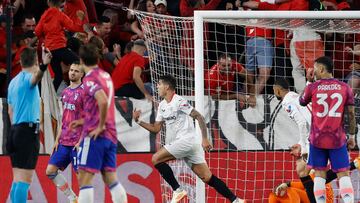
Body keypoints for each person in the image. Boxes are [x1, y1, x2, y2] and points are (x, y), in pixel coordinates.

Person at [133, 75, 246, 203]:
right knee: (207, 177)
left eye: (159, 84)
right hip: (188, 145)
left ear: (167, 87)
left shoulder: (179, 101)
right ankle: (236, 200)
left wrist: (204, 139)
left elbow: (199, 116)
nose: (157, 87)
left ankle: (178, 190)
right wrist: (139, 121)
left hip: (187, 140)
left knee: (156, 159)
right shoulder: (162, 106)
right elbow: (156, 128)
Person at [299, 56, 356, 202]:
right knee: (343, 174)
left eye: (315, 67)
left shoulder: (313, 87)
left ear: (322, 69)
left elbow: (302, 101)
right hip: (337, 138)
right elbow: (350, 114)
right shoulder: (345, 87)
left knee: (319, 174)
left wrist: (309, 81)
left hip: (317, 139)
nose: (314, 70)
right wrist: (352, 136)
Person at [75, 44, 127, 203]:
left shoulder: (90, 78)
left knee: (84, 177)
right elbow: (103, 103)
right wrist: (83, 120)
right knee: (110, 177)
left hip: (96, 134)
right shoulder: (105, 75)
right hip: (110, 134)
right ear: (97, 59)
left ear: (81, 60)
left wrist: (99, 126)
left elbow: (103, 101)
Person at [7, 46, 52, 203]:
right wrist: (44, 66)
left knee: (17, 178)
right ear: (36, 61)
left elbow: (10, 112)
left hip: (14, 132)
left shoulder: (13, 82)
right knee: (24, 180)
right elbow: (35, 79)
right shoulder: (29, 78)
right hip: (26, 131)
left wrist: (17, 130)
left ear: (20, 61)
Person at [45, 62, 85, 203]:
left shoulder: (85, 93)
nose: (72, 73)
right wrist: (57, 139)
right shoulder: (65, 92)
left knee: (82, 178)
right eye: (71, 70)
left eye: (76, 71)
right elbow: (64, 118)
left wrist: (81, 141)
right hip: (64, 141)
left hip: (77, 142)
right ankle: (72, 198)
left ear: (82, 74)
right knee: (50, 171)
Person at [35, 0, 85, 91]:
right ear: (60, 3)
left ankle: (52, 96)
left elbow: (37, 32)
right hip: (59, 48)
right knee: (79, 64)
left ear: (48, 2)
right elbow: (74, 28)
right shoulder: (59, 14)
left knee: (58, 76)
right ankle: (80, 91)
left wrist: (47, 36)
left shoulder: (44, 16)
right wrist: (79, 19)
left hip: (50, 50)